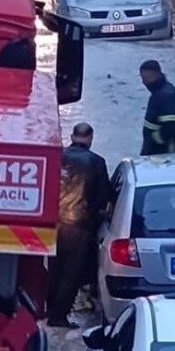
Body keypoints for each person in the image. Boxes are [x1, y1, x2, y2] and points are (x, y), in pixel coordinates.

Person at [48, 122, 111, 328]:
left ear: (73, 136)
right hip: (79, 224)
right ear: (90, 138)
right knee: (70, 272)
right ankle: (58, 316)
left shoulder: (58, 156)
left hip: (54, 222)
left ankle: (48, 309)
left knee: (54, 268)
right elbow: (104, 197)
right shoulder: (96, 162)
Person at [139, 60, 175, 155]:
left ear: (156, 75)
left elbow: (171, 126)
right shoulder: (159, 93)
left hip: (164, 155)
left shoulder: (166, 95)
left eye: (146, 78)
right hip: (157, 154)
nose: (144, 82)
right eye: (143, 78)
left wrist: (155, 141)